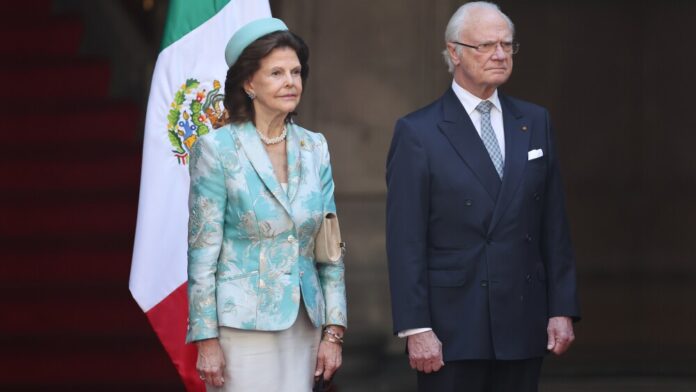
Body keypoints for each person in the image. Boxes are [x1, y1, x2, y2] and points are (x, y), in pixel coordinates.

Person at [386, 2, 580, 391]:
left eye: (507, 45)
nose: (499, 54)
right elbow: (405, 239)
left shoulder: (534, 121)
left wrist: (561, 308)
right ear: (454, 51)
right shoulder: (418, 132)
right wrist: (416, 326)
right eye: (486, 45)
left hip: (523, 317)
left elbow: (552, 223)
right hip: (452, 326)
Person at [186, 18, 347, 392]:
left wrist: (334, 330)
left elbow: (331, 246)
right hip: (241, 329)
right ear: (248, 83)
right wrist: (206, 339)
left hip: (306, 324)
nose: (290, 81)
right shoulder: (217, 150)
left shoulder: (315, 147)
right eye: (276, 73)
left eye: (295, 71)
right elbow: (201, 253)